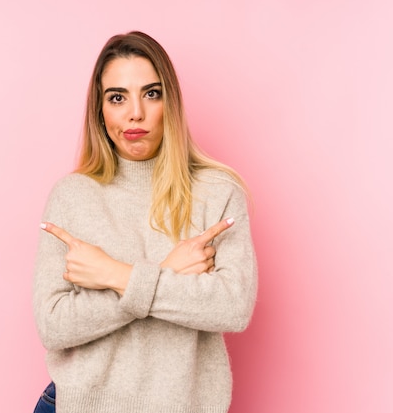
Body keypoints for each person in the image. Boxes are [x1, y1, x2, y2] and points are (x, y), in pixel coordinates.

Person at [33, 31, 258, 413]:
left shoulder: (218, 191)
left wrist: (114, 274)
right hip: (80, 404)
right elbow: (53, 325)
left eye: (151, 93)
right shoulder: (72, 196)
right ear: (99, 110)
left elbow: (233, 307)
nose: (135, 112)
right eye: (117, 97)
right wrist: (165, 271)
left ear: (170, 103)